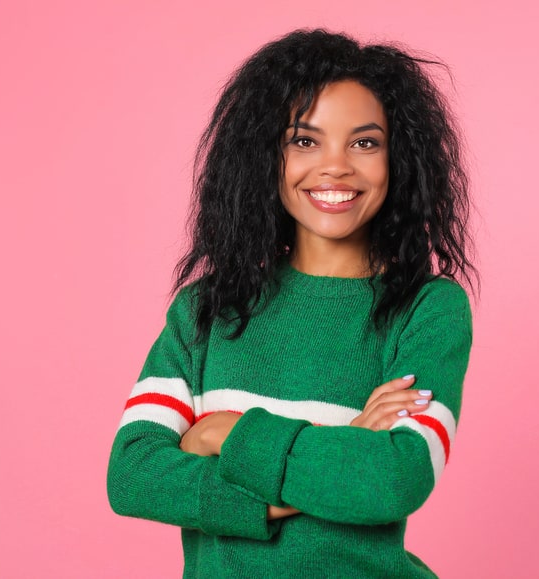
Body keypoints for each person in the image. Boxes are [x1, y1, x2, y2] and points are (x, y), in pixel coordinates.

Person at [107, 28, 476, 578]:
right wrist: (344, 445)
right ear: (264, 155)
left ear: (399, 158)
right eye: (304, 140)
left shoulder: (427, 309)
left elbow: (393, 479)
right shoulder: (205, 310)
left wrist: (222, 433)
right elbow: (134, 476)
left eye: (365, 142)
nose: (336, 166)